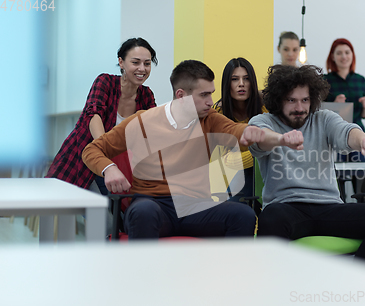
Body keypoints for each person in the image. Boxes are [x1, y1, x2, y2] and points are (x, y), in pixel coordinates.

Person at [82, 60, 290, 239]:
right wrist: (109, 168)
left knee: (243, 215)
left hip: (196, 207)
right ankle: (142, 281)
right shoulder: (143, 121)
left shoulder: (210, 119)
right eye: (204, 95)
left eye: (212, 94)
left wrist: (279, 138)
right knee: (142, 211)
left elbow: (239, 130)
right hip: (155, 205)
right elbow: (92, 150)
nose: (211, 102)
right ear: (181, 95)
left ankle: (229, 280)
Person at [248, 64, 365, 263]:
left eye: (305, 100)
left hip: (329, 208)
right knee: (270, 216)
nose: (299, 108)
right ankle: (276, 288)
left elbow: (346, 131)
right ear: (278, 99)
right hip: (286, 207)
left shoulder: (324, 118)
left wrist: (362, 140)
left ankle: (356, 284)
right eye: (291, 100)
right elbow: (260, 138)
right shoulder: (263, 121)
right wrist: (281, 139)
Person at [45, 37, 158, 193]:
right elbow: (94, 115)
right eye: (135, 62)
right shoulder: (105, 82)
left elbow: (152, 130)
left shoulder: (146, 95)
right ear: (121, 62)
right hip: (85, 159)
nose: (142, 69)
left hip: (120, 167)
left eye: (147, 63)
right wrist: (104, 154)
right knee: (99, 213)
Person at [213, 57, 267, 202]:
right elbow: (228, 161)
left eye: (246, 79)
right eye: (235, 79)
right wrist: (259, 152)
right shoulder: (218, 113)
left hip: (268, 172)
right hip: (230, 178)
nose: (241, 84)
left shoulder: (265, 109)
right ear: (227, 83)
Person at [323, 38, 365, 162]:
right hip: (334, 134)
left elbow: (364, 114)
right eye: (339, 53)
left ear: (352, 55)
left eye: (347, 52)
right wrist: (334, 106)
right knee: (337, 174)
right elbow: (318, 110)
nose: (343, 56)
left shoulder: (360, 80)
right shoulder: (325, 80)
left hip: (357, 132)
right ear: (332, 57)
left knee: (361, 173)